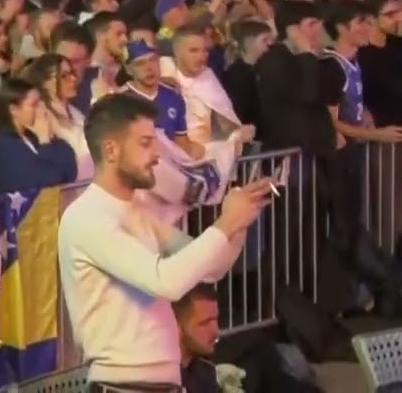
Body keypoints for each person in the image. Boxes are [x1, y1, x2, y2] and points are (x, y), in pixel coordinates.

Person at [58, 94, 272, 390]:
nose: (158, 154)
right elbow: (165, 281)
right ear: (111, 150)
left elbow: (210, 270)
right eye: (145, 143)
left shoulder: (136, 212)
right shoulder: (88, 217)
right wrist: (225, 223)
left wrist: (239, 223)